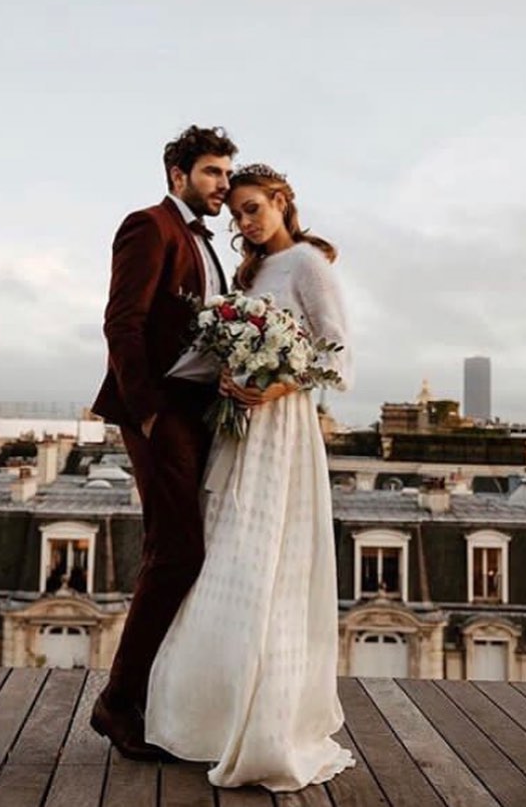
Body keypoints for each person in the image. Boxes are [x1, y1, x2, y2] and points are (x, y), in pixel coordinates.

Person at [145, 164, 356, 790]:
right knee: (226, 559)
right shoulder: (253, 272)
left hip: (283, 429)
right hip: (238, 428)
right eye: (237, 213)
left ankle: (266, 719)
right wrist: (226, 378)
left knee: (269, 565)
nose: (244, 222)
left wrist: (276, 384)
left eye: (254, 208)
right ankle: (212, 717)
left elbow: (337, 355)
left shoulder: (310, 266)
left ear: (282, 202)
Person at [90, 125, 238, 760]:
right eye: (211, 173)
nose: (222, 187)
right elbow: (121, 321)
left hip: (196, 409)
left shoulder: (205, 242)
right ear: (178, 175)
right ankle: (119, 702)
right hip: (161, 410)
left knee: (179, 549)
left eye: (226, 176)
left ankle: (155, 696)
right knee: (177, 551)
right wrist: (147, 413)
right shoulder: (148, 225)